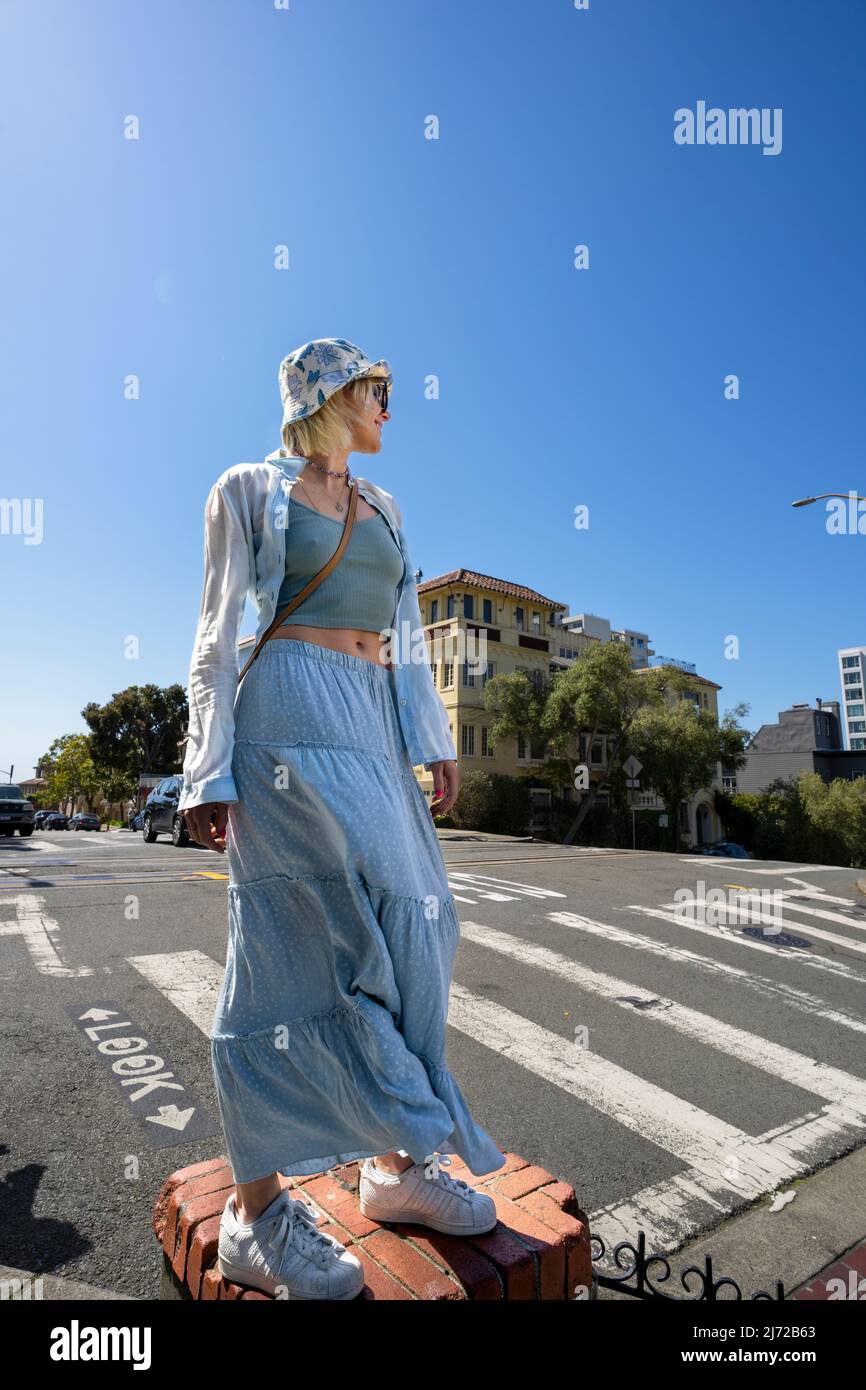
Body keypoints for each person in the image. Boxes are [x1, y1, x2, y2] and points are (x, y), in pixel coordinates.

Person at [178, 338, 505, 1299]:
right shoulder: (246, 489)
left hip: (367, 722)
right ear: (327, 395)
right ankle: (255, 1211)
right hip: (282, 717)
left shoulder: (388, 509)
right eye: (377, 389)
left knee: (421, 926)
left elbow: (404, 636)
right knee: (284, 944)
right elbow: (216, 628)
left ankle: (396, 1170)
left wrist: (430, 737)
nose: (389, 405)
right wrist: (208, 768)